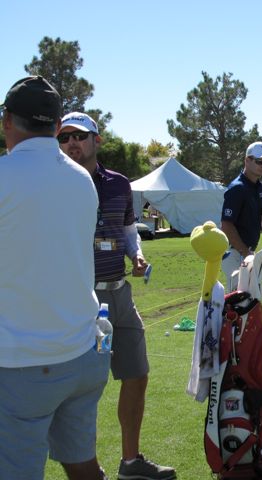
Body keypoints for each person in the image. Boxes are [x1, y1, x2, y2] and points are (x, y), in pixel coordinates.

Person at [0, 76, 110, 479]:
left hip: (24, 363)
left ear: (7, 121)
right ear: (56, 124)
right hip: (83, 353)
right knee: (83, 467)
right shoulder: (82, 179)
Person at [57, 112, 176, 480]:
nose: (72, 143)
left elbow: (127, 230)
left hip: (120, 296)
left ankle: (131, 462)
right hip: (83, 301)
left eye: (80, 136)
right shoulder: (57, 183)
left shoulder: (119, 184)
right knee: (87, 386)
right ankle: (87, 468)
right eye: (64, 137)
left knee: (137, 375)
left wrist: (136, 254)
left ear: (97, 140)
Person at [221, 141, 262, 291]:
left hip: (247, 252)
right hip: (233, 253)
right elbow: (226, 225)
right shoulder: (237, 188)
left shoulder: (259, 187)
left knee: (253, 296)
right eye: (259, 161)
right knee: (240, 299)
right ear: (247, 160)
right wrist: (246, 253)